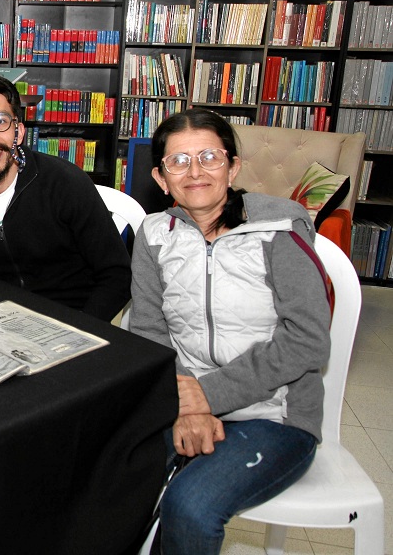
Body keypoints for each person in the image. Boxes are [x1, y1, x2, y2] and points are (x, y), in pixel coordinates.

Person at [128, 108, 332, 555]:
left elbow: (307, 338)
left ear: (233, 166)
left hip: (273, 414)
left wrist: (208, 396)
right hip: (179, 398)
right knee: (100, 473)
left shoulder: (279, 226)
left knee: (192, 506)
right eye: (178, 162)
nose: (195, 172)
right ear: (161, 178)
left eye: (209, 157)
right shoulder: (153, 234)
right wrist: (185, 400)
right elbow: (147, 330)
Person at [0, 70, 131, 321]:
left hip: (75, 320)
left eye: (0, 121)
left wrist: (83, 330)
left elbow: (117, 273)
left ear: (19, 133)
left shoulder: (65, 183)